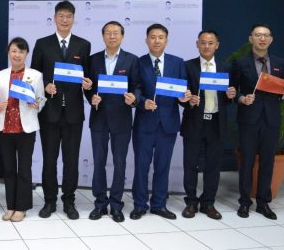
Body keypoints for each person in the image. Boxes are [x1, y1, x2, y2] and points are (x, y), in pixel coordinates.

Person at [31, 0, 92, 219]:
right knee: (49, 160)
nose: (65, 20)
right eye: (61, 16)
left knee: (71, 161)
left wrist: (89, 88)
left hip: (74, 113)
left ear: (74, 19)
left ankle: (69, 202)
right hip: (50, 112)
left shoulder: (83, 45)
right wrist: (45, 85)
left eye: (69, 16)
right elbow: (34, 76)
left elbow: (88, 77)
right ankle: (49, 202)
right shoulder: (42, 44)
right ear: (54, 18)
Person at [231, 24, 284, 220]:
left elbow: (282, 92)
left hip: (272, 119)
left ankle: (263, 203)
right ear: (251, 39)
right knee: (247, 161)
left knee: (268, 161)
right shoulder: (240, 63)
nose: (262, 39)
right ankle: (244, 203)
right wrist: (242, 98)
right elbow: (233, 91)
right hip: (249, 119)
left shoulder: (279, 63)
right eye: (258, 35)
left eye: (266, 35)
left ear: (271, 39)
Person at [131, 23, 191, 220]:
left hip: (168, 123)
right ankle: (139, 205)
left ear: (167, 40)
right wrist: (141, 102)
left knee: (162, 166)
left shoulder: (177, 62)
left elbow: (182, 90)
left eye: (161, 37)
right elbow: (135, 88)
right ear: (147, 40)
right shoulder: (138, 62)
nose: (157, 40)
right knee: (141, 166)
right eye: (153, 37)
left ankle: (159, 204)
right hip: (144, 122)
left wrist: (184, 98)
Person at [83, 21, 140, 223]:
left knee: (119, 163)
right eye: (108, 33)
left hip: (122, 119)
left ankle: (116, 205)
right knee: (99, 163)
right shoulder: (93, 60)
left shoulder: (131, 60)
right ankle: (100, 204)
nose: (112, 36)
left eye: (116, 33)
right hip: (99, 118)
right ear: (103, 36)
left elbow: (137, 86)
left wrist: (134, 98)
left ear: (122, 37)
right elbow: (88, 87)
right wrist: (91, 97)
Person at [180, 30, 236, 220]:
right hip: (194, 121)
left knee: (213, 165)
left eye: (210, 43)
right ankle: (191, 203)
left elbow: (228, 98)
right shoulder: (188, 66)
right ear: (197, 44)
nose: (206, 46)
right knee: (190, 165)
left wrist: (230, 96)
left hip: (216, 122)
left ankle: (208, 203)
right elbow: (182, 96)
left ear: (217, 45)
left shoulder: (225, 67)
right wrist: (188, 100)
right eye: (203, 43)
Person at [0, 37, 45, 222]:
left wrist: (36, 104)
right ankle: (11, 206)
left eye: (21, 52)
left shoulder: (35, 75)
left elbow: (42, 99)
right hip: (5, 127)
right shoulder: (1, 74)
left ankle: (21, 207)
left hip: (26, 127)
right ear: (8, 52)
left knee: (24, 168)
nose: (17, 55)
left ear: (26, 54)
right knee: (8, 169)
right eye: (14, 51)